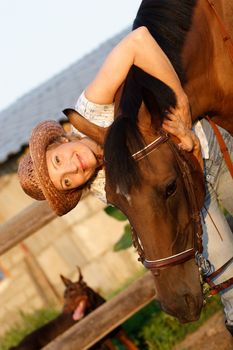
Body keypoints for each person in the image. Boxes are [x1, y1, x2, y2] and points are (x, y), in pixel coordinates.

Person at [18, 26, 233, 334]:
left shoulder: (91, 108)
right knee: (228, 277)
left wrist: (182, 105)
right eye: (66, 181)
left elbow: (138, 40)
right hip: (190, 195)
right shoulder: (107, 189)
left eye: (57, 160)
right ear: (74, 189)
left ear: (62, 141)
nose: (72, 168)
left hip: (208, 146)